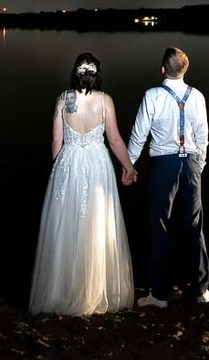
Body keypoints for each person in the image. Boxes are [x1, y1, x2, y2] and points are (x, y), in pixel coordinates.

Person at [27, 51, 137, 316]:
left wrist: (59, 168)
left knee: (67, 225)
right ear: (96, 74)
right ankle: (95, 290)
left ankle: (63, 290)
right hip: (97, 164)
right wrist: (129, 167)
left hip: (70, 162)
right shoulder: (105, 100)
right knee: (97, 224)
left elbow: (56, 141)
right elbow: (114, 140)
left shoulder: (63, 99)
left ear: (75, 72)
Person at [125, 46, 209, 308]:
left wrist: (129, 166)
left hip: (164, 165)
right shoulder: (197, 96)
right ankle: (200, 290)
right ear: (184, 70)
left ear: (162, 70)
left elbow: (139, 133)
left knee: (159, 226)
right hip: (192, 163)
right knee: (194, 226)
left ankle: (159, 294)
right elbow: (203, 135)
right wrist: (200, 164)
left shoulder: (152, 95)